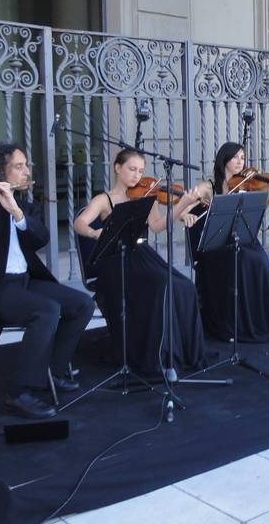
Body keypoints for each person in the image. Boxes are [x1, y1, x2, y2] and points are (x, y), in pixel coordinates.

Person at [0, 143, 95, 420]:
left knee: (81, 303)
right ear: (0, 170)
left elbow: (40, 238)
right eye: (19, 166)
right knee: (46, 310)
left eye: (26, 166)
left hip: (23, 282)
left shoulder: (23, 206)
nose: (26, 171)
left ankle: (54, 371)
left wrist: (17, 213)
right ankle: (19, 392)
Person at [74, 149, 207, 376]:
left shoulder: (146, 194)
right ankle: (159, 357)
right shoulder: (104, 199)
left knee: (184, 286)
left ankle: (181, 353)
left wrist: (183, 205)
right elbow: (79, 223)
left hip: (142, 253)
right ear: (117, 168)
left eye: (141, 171)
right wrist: (95, 233)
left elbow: (156, 225)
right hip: (117, 258)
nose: (137, 176)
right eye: (132, 169)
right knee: (162, 287)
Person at [189, 142, 269, 341]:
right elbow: (184, 203)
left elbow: (255, 212)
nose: (240, 161)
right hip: (215, 243)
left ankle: (256, 318)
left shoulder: (246, 184)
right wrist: (185, 215)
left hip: (238, 238)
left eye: (242, 158)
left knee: (260, 260)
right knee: (244, 260)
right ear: (224, 160)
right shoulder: (209, 186)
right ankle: (237, 321)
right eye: (235, 157)